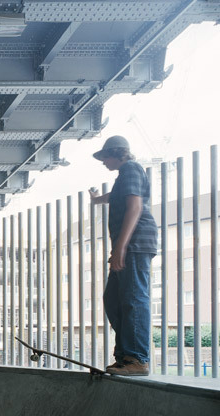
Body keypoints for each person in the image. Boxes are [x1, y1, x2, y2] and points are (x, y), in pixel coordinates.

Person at [89, 135, 158, 376]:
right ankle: (124, 357)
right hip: (129, 244)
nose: (103, 162)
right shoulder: (124, 176)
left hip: (135, 244)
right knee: (113, 299)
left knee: (133, 298)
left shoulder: (130, 168)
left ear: (116, 153)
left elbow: (135, 206)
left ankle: (136, 358)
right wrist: (97, 199)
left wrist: (120, 247)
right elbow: (116, 196)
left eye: (104, 157)